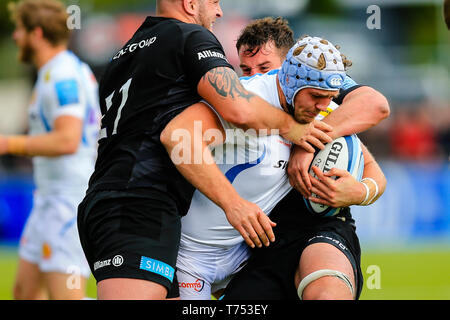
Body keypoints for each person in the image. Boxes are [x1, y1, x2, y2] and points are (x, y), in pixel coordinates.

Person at [77, 0, 332, 300]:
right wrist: (294, 129)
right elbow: (238, 107)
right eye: (213, 1)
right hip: (138, 206)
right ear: (190, 3)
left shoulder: (123, 53)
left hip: (114, 202)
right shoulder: (190, 36)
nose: (219, 11)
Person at [170, 35, 386, 300]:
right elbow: (179, 139)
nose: (323, 106)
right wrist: (233, 204)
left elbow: (375, 115)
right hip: (192, 256)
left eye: (329, 98)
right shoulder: (246, 100)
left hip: (247, 254)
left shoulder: (320, 114)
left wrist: (360, 192)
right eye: (317, 97)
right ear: (291, 81)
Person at [2, 0, 100, 300]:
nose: (16, 36)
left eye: (20, 29)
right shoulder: (59, 70)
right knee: (25, 292)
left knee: (66, 296)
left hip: (68, 204)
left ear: (38, 33)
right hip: (48, 200)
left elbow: (67, 140)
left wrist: (7, 143)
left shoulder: (63, 76)